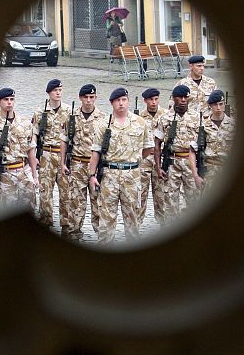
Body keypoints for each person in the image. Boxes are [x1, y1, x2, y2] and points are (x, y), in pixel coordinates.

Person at [88, 87, 153, 243]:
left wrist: (133, 160)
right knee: (106, 219)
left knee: (133, 219)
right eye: (118, 101)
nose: (121, 103)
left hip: (132, 176)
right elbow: (96, 152)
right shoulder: (104, 124)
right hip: (109, 175)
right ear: (112, 103)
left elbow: (148, 148)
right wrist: (91, 175)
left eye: (124, 100)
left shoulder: (140, 122)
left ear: (128, 101)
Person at [60, 83, 105, 241]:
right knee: (76, 202)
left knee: (97, 202)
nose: (88, 100)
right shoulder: (71, 118)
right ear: (80, 98)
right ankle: (74, 235)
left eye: (91, 97)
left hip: (96, 166)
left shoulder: (103, 118)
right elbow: (64, 141)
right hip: (77, 164)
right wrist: (62, 162)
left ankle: (102, 236)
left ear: (96, 98)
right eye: (85, 97)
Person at [0, 87, 38, 213]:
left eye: (12, 99)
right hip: (5, 174)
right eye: (6, 100)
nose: (9, 102)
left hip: (24, 173)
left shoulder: (25, 123)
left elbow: (31, 151)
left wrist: (35, 176)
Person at [154, 84, 199, 222]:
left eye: (186, 97)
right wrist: (158, 166)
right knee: (170, 201)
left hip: (191, 163)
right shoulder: (165, 118)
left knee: (194, 199)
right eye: (180, 97)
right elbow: (157, 143)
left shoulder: (197, 117)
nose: (183, 100)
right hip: (172, 162)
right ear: (174, 98)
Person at [31, 79, 70, 236]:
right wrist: (33, 155)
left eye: (60, 90)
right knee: (45, 192)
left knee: (66, 192)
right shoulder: (40, 112)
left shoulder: (69, 111)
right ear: (49, 93)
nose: (58, 93)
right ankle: (46, 222)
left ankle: (66, 225)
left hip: (63, 156)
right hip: (46, 154)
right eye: (55, 90)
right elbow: (34, 133)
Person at [189, 89, 236, 193]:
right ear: (210, 106)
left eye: (221, 104)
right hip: (209, 171)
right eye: (215, 105)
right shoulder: (203, 127)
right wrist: (195, 175)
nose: (218, 107)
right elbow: (192, 151)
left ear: (224, 104)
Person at [138, 87, 166, 226]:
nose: (154, 102)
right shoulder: (139, 118)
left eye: (156, 99)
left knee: (161, 195)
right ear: (145, 101)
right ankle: (137, 224)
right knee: (140, 194)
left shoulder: (166, 115)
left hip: (160, 159)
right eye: (151, 100)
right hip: (144, 159)